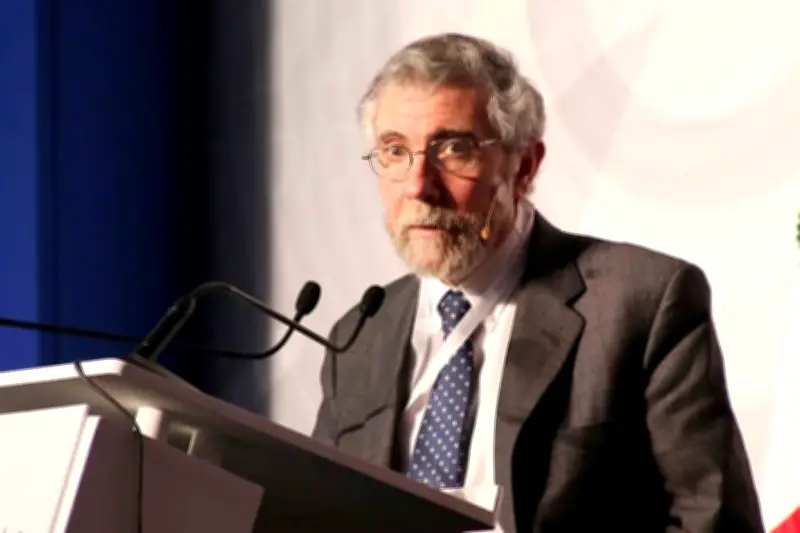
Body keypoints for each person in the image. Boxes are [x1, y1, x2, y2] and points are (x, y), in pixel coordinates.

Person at [311, 32, 764, 533]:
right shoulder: (359, 338)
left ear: (524, 166)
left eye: (454, 149)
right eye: (395, 151)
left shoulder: (640, 302)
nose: (419, 185)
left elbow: (715, 520)